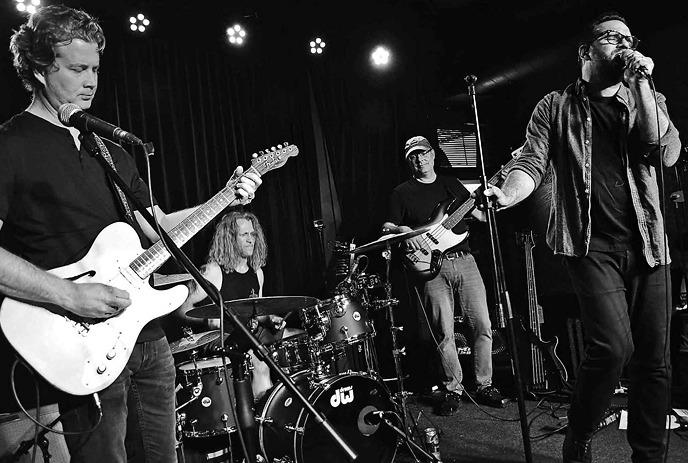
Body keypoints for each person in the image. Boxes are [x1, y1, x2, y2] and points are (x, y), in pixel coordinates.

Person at [0, 5, 261, 462]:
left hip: (146, 336)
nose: (91, 81)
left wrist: (222, 198)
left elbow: (157, 227)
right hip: (80, 342)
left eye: (96, 69)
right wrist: (68, 295)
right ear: (40, 70)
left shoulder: (108, 148)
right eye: (77, 68)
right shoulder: (10, 145)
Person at [484, 12, 681, 463]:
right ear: (586, 52)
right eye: (612, 37)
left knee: (655, 362)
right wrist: (505, 192)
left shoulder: (648, 97)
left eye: (629, 37)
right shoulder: (555, 107)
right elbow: (531, 165)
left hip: (650, 245)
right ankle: (580, 430)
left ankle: (648, 457)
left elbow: (659, 149)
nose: (623, 44)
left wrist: (645, 86)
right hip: (589, 245)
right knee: (613, 348)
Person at [382, 135, 505, 416]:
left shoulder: (451, 184)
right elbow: (388, 226)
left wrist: (489, 205)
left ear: (433, 154)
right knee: (443, 332)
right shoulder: (402, 192)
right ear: (408, 161)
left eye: (423, 153)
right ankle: (453, 389)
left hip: (465, 259)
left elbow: (477, 214)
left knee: (483, 324)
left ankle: (485, 385)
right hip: (429, 267)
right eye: (413, 156)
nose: (419, 159)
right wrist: (402, 232)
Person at [176, 211, 288, 400]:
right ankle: (261, 419)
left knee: (291, 342)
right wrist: (208, 320)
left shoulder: (257, 272)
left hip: (249, 333)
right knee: (259, 360)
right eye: (244, 235)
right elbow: (180, 309)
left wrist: (269, 318)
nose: (251, 239)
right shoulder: (212, 271)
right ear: (229, 238)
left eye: (253, 235)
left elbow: (256, 312)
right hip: (219, 338)